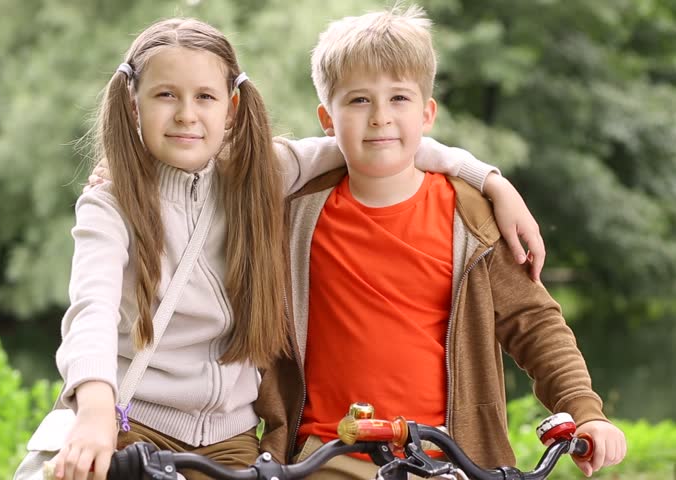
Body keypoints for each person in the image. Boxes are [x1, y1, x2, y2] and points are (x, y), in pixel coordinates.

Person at [44, 17, 543, 480]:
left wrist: (489, 180)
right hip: (133, 421)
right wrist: (93, 415)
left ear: (232, 108)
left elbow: (377, 142)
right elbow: (92, 312)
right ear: (134, 105)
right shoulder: (110, 203)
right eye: (165, 95)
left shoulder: (259, 174)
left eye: (204, 97)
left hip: (229, 437)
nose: (186, 115)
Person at [255, 4, 627, 479]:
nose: (380, 118)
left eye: (399, 99)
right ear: (328, 119)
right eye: (359, 101)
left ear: (428, 112)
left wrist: (585, 410)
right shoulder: (295, 213)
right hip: (326, 456)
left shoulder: (470, 217)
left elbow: (534, 323)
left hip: (449, 459)